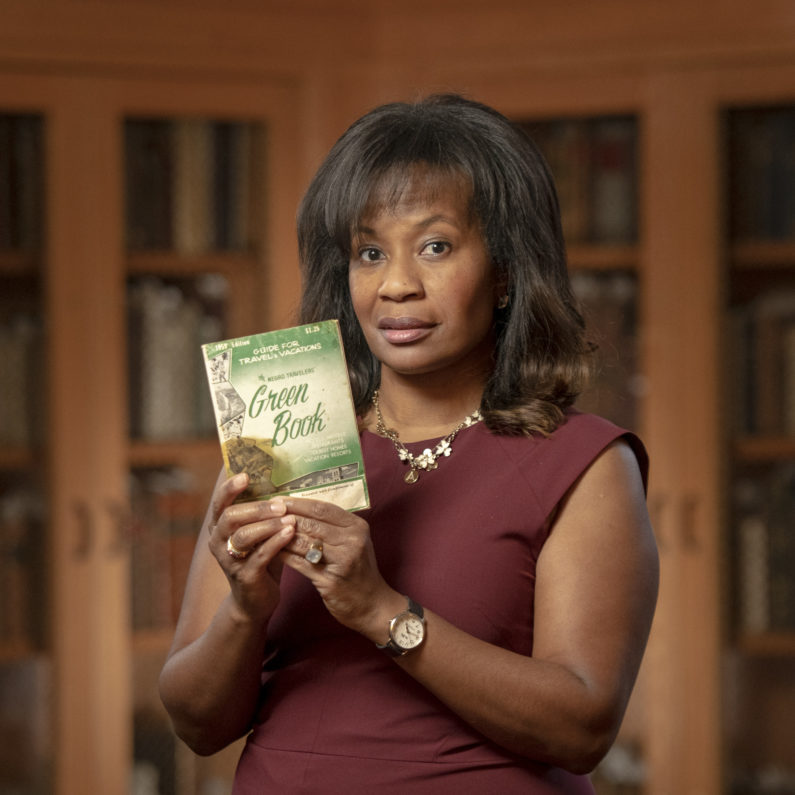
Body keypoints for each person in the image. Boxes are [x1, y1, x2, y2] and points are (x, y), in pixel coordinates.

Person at [159, 94, 659, 794]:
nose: (395, 285)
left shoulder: (584, 462)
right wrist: (245, 606)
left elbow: (581, 727)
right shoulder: (283, 437)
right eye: (369, 252)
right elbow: (197, 722)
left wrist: (379, 610)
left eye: (435, 246)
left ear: (507, 271)